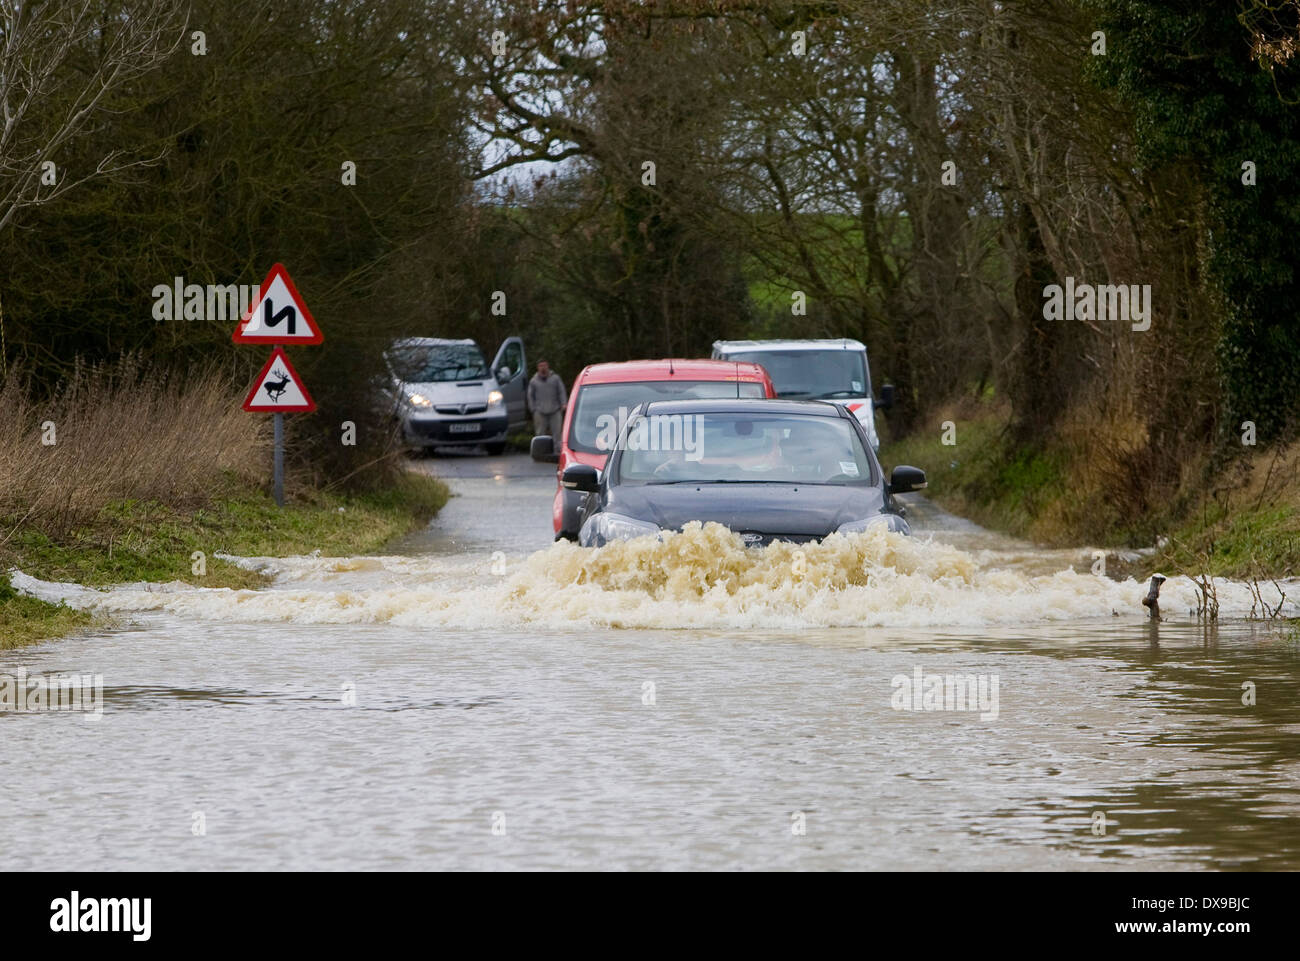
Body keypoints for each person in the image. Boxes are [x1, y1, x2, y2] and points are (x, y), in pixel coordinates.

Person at [527, 360, 567, 438]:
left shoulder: (556, 378)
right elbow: (530, 396)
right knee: (540, 434)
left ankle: (557, 449)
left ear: (548, 366)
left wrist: (564, 403)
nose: (543, 367)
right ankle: (541, 450)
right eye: (541, 366)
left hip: (555, 410)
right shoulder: (533, 381)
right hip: (540, 411)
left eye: (544, 365)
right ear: (538, 367)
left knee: (558, 434)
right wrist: (533, 409)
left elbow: (561, 391)